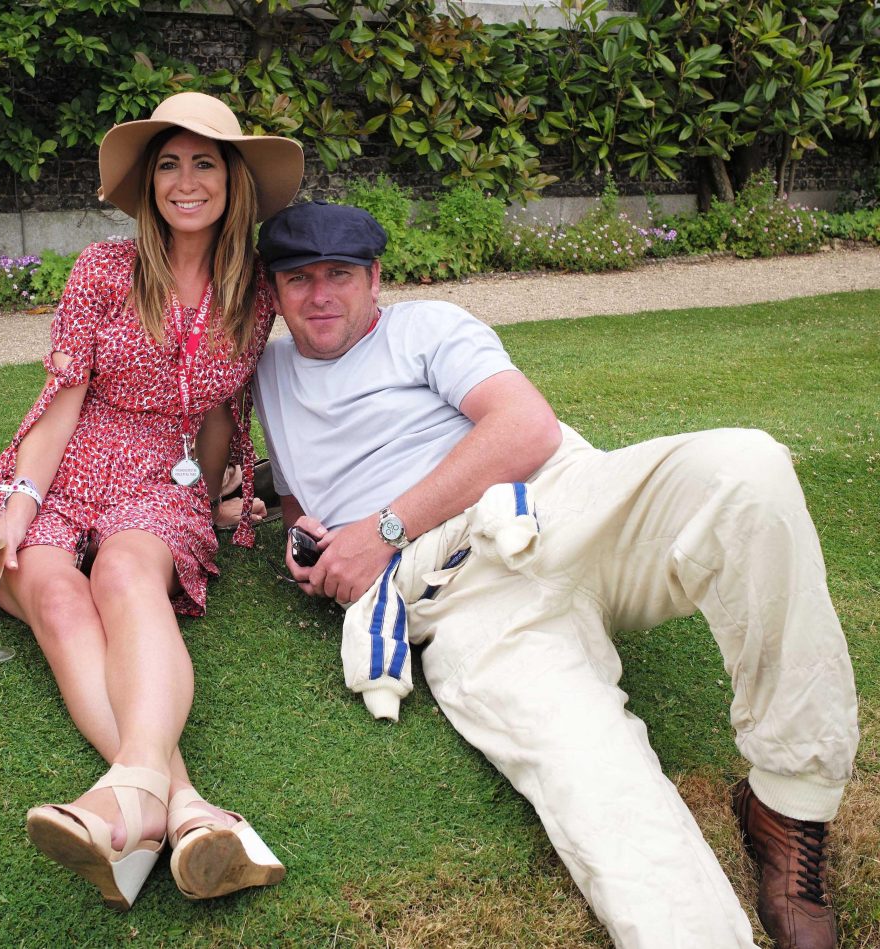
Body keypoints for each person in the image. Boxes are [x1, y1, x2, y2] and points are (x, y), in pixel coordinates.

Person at [248, 200, 860, 949]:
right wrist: (307, 543)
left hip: (560, 499)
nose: (319, 295)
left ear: (374, 278)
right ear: (272, 292)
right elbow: (300, 496)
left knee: (747, 466)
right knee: (593, 782)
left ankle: (788, 807)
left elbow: (524, 426)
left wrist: (381, 529)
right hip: (463, 596)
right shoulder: (269, 375)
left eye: (339, 274)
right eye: (298, 278)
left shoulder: (426, 328)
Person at [0, 92, 303, 910]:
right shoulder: (104, 272)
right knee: (62, 600)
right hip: (72, 458)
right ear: (148, 184)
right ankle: (184, 809)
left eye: (203, 162)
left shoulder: (254, 296)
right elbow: (62, 401)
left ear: (233, 179)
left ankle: (129, 813)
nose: (184, 181)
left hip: (163, 470)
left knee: (127, 577)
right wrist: (16, 511)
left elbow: (217, 409)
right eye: (168, 164)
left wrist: (199, 509)